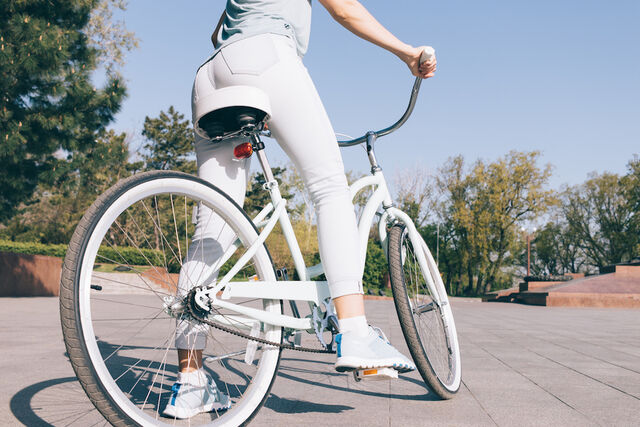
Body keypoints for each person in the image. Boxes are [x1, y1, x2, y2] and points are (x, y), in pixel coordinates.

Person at [163, 0, 437, 419]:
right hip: (266, 57)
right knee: (329, 186)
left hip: (211, 74)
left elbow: (218, 32)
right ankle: (355, 331)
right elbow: (345, 9)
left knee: (212, 226)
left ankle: (191, 383)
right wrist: (407, 53)